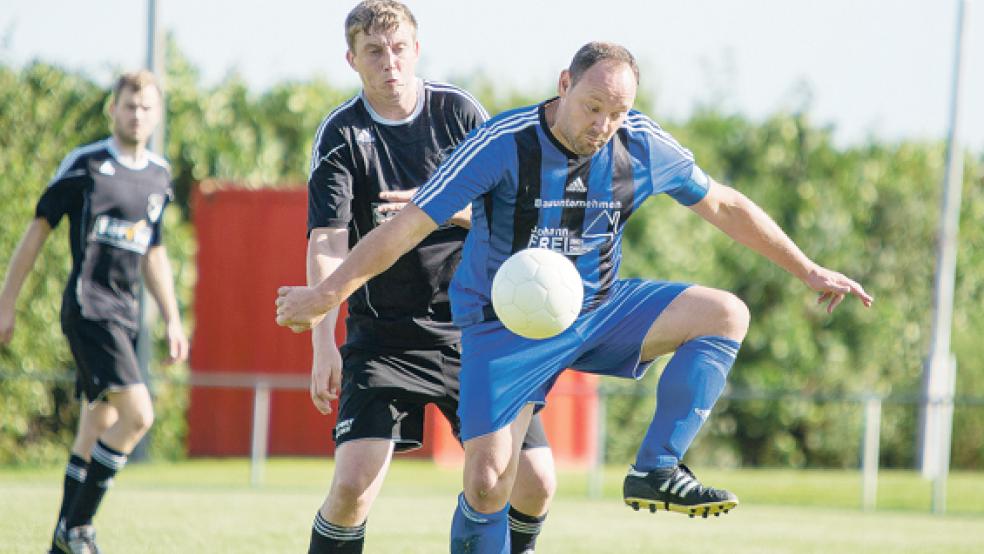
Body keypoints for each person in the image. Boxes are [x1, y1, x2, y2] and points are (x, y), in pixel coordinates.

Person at [277, 42, 872, 553]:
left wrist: (808, 269)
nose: (603, 123)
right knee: (489, 483)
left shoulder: (639, 144)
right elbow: (404, 228)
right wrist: (324, 296)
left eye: (618, 111)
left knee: (725, 314)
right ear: (564, 85)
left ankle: (656, 467)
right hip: (499, 326)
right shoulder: (502, 141)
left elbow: (723, 203)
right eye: (593, 106)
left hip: (597, 309)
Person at [302, 2, 555, 553]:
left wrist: (437, 207)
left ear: (416, 50)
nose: (389, 61)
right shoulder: (342, 134)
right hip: (385, 338)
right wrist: (324, 342)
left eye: (398, 48)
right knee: (351, 487)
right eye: (374, 51)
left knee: (535, 482)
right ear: (352, 59)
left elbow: (510, 208)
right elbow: (327, 241)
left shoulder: (460, 113)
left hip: (477, 332)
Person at [0, 70, 188, 554]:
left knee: (98, 423)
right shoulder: (86, 163)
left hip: (125, 318)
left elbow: (155, 252)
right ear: (113, 109)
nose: (137, 114)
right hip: (89, 309)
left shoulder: (158, 175)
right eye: (129, 105)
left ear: (157, 114)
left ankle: (61, 538)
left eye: (146, 107)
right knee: (139, 414)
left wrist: (171, 316)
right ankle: (77, 528)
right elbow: (38, 230)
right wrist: (7, 302)